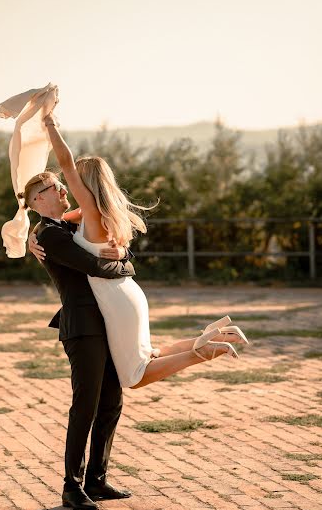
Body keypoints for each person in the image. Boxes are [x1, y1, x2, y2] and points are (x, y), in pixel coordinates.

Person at [27, 113, 249, 390]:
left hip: (113, 298)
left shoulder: (91, 213)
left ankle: (203, 352)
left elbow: (66, 164)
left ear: (85, 185)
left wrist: (51, 127)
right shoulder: (91, 214)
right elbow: (52, 223)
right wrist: (31, 236)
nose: (67, 186)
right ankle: (205, 340)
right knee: (148, 353)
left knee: (135, 374)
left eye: (73, 182)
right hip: (127, 292)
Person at [22, 171, 135, 510]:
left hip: (106, 322)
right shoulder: (50, 235)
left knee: (112, 401)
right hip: (82, 327)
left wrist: (123, 255)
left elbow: (97, 224)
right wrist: (126, 267)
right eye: (52, 187)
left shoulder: (65, 227)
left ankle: (97, 480)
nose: (61, 189)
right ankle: (72, 486)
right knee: (85, 405)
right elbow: (95, 266)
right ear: (38, 200)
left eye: (60, 182)